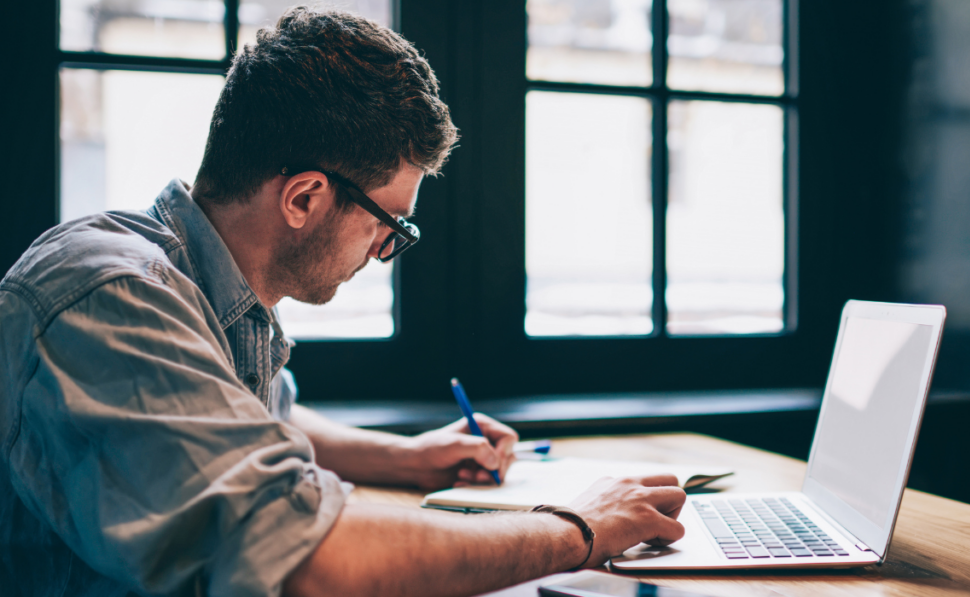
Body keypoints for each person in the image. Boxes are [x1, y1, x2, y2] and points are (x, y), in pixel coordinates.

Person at [0, 6, 687, 597]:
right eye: (390, 225)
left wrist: (404, 457)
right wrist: (580, 525)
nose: (385, 251)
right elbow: (313, 557)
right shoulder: (111, 299)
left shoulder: (200, 285)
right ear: (303, 197)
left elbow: (246, 420)